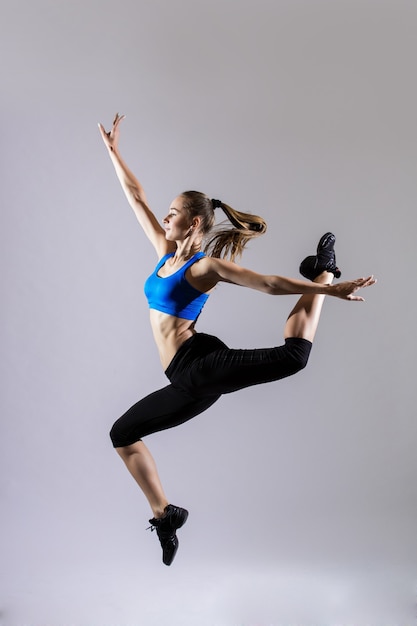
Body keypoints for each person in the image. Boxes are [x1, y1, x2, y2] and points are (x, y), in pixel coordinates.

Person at [98, 113, 376, 566]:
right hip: (186, 377)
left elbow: (264, 283)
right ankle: (164, 515)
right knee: (123, 433)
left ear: (192, 223)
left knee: (294, 358)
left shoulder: (202, 268)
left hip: (198, 366)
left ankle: (325, 269)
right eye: (166, 211)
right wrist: (113, 151)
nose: (164, 216)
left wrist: (327, 288)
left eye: (173, 212)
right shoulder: (165, 254)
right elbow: (135, 196)